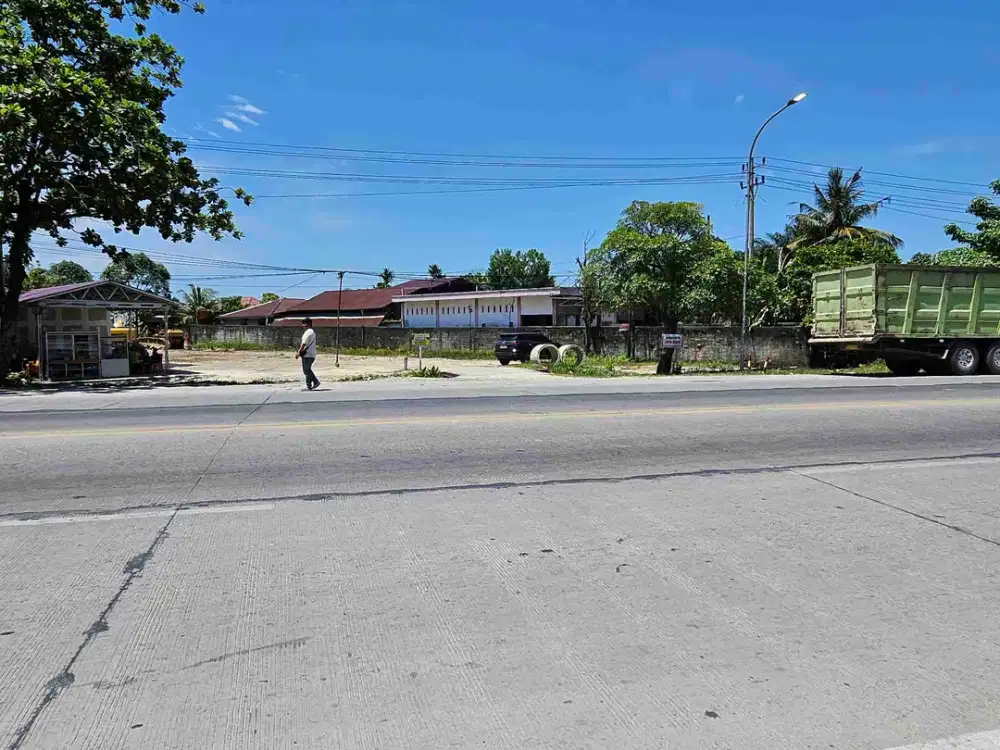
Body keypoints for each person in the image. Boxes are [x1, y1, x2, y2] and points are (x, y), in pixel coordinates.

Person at [295, 318, 320, 390]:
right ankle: (315, 382)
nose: (303, 325)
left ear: (309, 324)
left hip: (308, 354)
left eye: (304, 324)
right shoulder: (312, 332)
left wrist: (299, 352)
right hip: (311, 354)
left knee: (306, 370)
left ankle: (309, 385)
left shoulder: (308, 332)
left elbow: (303, 343)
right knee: (307, 369)